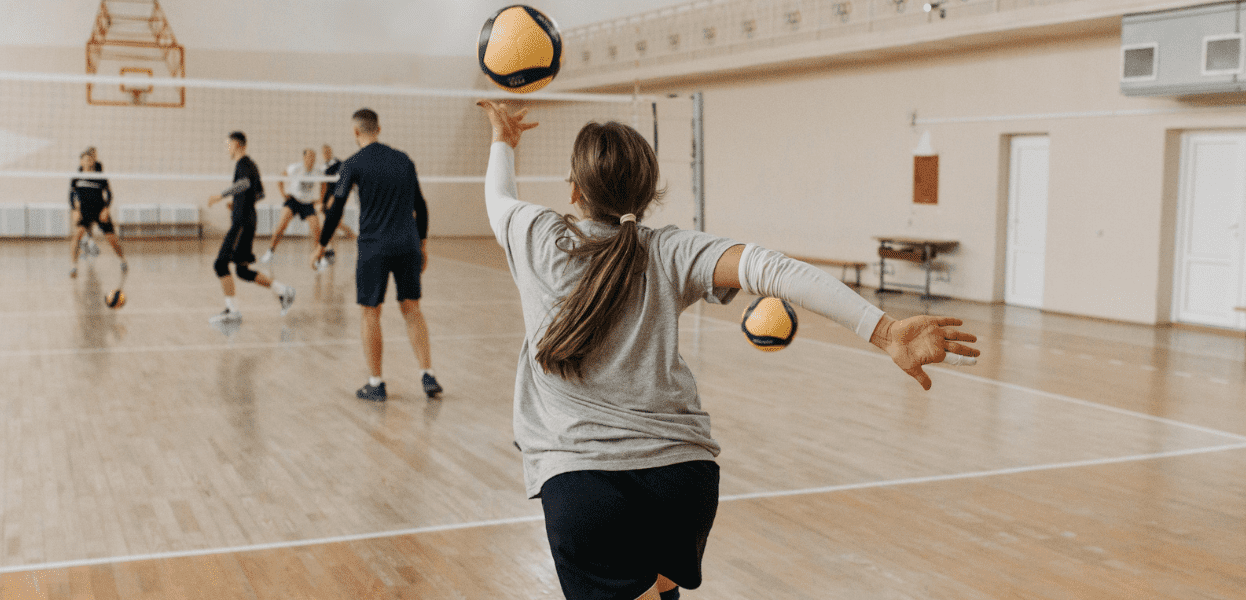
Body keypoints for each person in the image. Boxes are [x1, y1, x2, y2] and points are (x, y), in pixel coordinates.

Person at [476, 100, 981, 600]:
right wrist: (884, 329)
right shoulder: (673, 250)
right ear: (650, 193)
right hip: (683, 483)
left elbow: (497, 196)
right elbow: (776, 269)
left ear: (575, 188)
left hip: (584, 487)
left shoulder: (537, 236)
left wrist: (504, 140)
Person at [316, 109, 442, 401]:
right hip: (408, 244)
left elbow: (335, 208)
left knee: (370, 312)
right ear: (379, 128)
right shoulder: (403, 160)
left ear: (355, 132)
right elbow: (420, 206)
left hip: (375, 247)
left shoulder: (352, 163)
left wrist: (322, 243)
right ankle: (428, 374)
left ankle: (376, 383)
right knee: (412, 308)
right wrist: (422, 245)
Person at [206, 131, 296, 325]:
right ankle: (284, 291)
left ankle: (232, 312)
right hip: (247, 219)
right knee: (242, 271)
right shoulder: (252, 165)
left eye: (228, 144)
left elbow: (244, 183)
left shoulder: (244, 164)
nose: (227, 148)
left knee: (220, 264)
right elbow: (259, 194)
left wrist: (221, 196)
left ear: (238, 145)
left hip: (241, 223)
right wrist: (238, 202)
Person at [69, 148, 126, 277]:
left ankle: (123, 260)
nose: (88, 162)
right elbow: (71, 196)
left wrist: (106, 208)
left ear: (93, 161)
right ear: (81, 162)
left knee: (112, 239)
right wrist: (74, 210)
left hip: (100, 210)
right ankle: (73, 266)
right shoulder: (76, 178)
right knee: (77, 235)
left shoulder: (100, 177)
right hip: (84, 211)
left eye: (90, 159)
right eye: (85, 159)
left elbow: (109, 194)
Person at [260, 148, 323, 264]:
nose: (312, 159)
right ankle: (270, 252)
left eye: (313, 157)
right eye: (309, 156)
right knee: (281, 226)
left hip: (308, 203)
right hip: (293, 200)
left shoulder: (317, 171)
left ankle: (318, 258)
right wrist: (283, 194)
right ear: (304, 157)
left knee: (317, 230)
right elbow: (281, 178)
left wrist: (321, 199)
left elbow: (324, 183)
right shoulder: (295, 168)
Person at [317, 143, 355, 268]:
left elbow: (344, 182)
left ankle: (354, 238)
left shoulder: (339, 164)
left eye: (328, 151)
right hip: (326, 199)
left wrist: (334, 197)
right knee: (331, 226)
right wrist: (321, 201)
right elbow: (323, 186)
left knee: (333, 224)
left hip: (336, 199)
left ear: (331, 152)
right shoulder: (323, 167)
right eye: (324, 152)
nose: (326, 154)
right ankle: (331, 252)